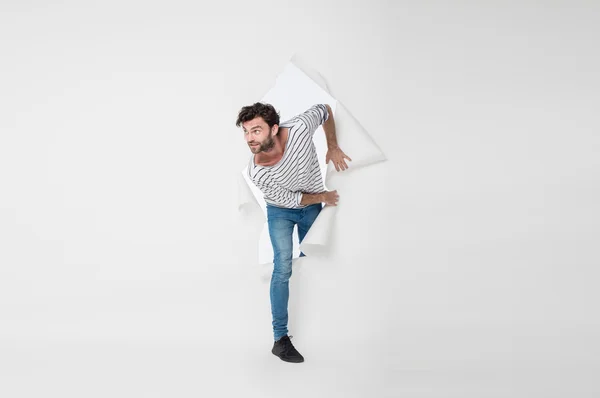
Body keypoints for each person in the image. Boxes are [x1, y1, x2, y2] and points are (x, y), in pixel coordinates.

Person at [236, 102, 351, 363]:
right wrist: (323, 196)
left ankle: (325, 323)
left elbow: (324, 109)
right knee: (283, 267)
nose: (249, 139)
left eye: (256, 131)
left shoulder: (299, 128)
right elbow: (290, 201)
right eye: (246, 132)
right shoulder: (257, 171)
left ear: (274, 128)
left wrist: (332, 146)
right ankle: (280, 339)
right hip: (282, 211)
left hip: (312, 203)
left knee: (318, 260)